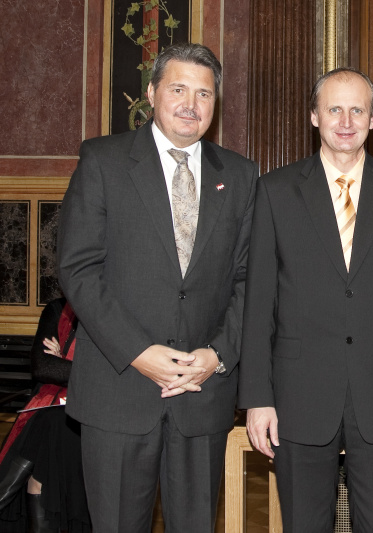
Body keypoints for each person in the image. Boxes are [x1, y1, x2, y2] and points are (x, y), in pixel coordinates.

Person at [57, 42, 258, 532]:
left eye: (204, 94)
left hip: (202, 391)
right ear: (151, 93)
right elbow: (78, 268)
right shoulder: (103, 160)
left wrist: (219, 354)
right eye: (178, 89)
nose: (191, 104)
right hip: (119, 390)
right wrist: (138, 352)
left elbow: (251, 279)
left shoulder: (241, 174)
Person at [239, 67, 373, 533]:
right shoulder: (274, 191)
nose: (346, 120)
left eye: (357, 109)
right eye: (335, 108)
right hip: (298, 394)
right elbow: (259, 305)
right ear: (314, 116)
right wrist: (257, 397)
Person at [0, 298, 89, 532]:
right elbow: (43, 367)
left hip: (99, 409)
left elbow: (126, 375)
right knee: (52, 421)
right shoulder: (58, 309)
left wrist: (65, 365)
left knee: (54, 423)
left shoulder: (122, 310)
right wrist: (92, 370)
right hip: (53, 408)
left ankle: (4, 493)